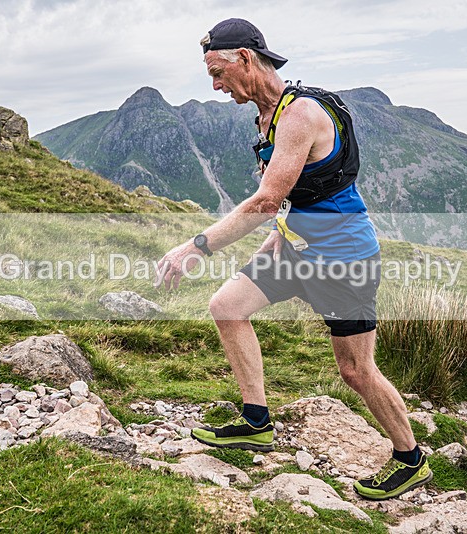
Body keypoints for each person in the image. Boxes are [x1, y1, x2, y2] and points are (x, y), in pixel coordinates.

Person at [155, 18, 432, 501]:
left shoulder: (301, 114)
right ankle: (256, 422)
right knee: (227, 307)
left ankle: (410, 459)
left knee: (355, 370)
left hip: (345, 257)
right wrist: (277, 239)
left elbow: (264, 201)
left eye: (218, 72)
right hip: (293, 249)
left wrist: (194, 246)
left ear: (245, 57)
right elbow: (286, 203)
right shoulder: (267, 118)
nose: (216, 86)